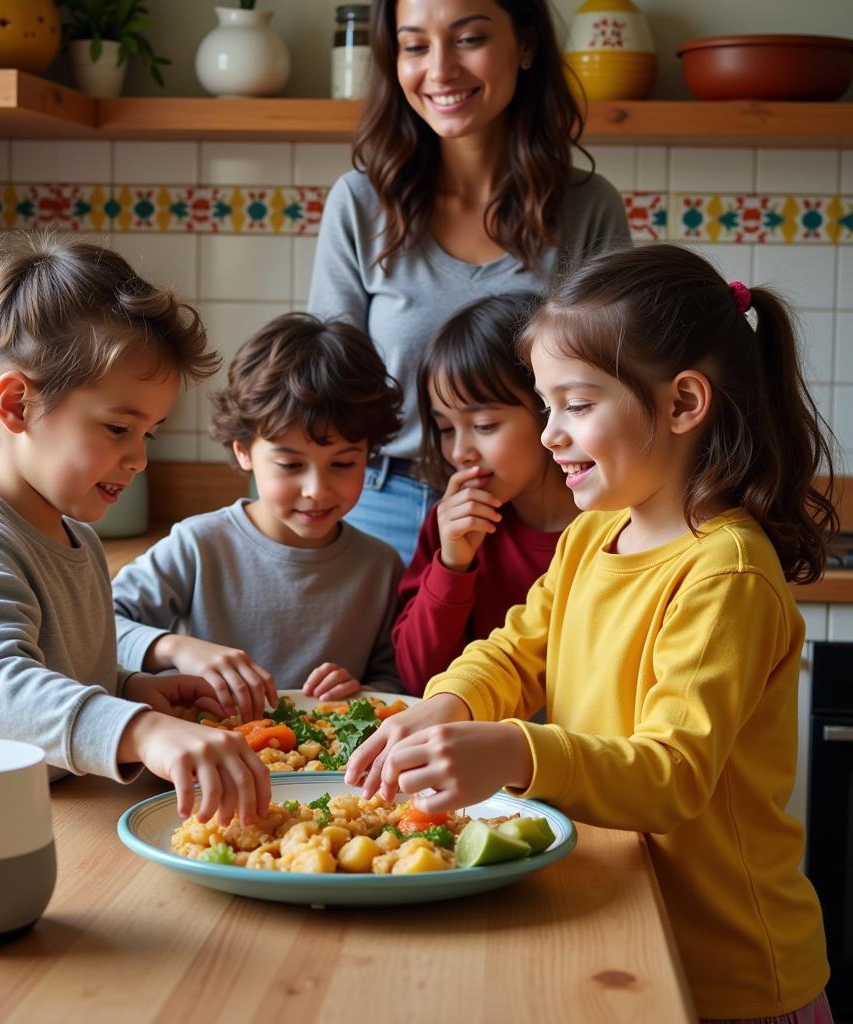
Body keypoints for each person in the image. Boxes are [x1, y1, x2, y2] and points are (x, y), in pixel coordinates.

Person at [346, 244, 838, 1022]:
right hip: (626, 923)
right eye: (545, 407)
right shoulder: (593, 535)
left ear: (682, 405)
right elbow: (520, 647)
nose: (549, 435)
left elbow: (671, 775)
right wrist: (450, 703)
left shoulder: (725, 575)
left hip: (733, 972)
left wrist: (515, 749)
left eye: (575, 405)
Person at [0, 235, 273, 887]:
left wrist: (131, 689)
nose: (140, 457)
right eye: (119, 429)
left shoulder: (76, 539)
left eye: (148, 434)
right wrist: (142, 731)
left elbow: (58, 682)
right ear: (17, 405)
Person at [307, 0, 630, 564]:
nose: (439, 70)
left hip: (542, 510)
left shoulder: (587, 207)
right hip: (381, 501)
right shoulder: (358, 204)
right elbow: (324, 386)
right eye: (414, 46)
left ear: (526, 45)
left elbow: (612, 385)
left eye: (468, 38)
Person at [111, 312, 406, 705]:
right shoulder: (199, 545)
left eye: (343, 464)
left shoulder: (380, 567)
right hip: (205, 754)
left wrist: (365, 692)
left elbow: (395, 676)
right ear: (243, 450)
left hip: (329, 766)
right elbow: (100, 628)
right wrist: (176, 648)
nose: (317, 491)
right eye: (290, 465)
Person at [393, 294, 576, 692]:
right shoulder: (450, 527)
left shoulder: (617, 527)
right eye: (445, 429)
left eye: (486, 425)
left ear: (549, 410)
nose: (459, 452)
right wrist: (452, 564)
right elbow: (418, 679)